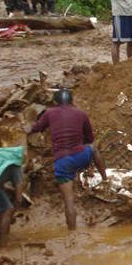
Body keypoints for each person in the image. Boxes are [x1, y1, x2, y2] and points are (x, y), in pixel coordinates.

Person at [28, 89, 107, 231]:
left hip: (62, 161)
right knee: (94, 150)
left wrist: (27, 127)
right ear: (72, 101)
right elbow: (90, 139)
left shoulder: (50, 113)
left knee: (69, 202)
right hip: (81, 156)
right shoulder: (81, 114)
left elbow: (36, 128)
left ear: (56, 102)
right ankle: (105, 178)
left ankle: (72, 234)